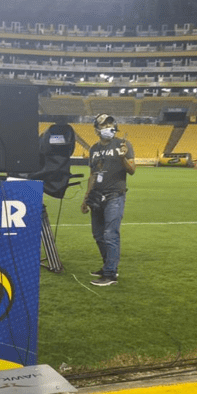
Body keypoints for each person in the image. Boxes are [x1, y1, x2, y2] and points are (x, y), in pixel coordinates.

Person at [81, 114, 136, 286]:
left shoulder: (123, 145)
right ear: (97, 130)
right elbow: (92, 175)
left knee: (110, 234)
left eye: (110, 124)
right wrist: (86, 198)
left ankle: (110, 274)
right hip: (97, 196)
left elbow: (132, 170)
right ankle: (108, 266)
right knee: (98, 235)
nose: (108, 127)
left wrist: (122, 157)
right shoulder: (94, 149)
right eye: (104, 125)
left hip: (115, 195)